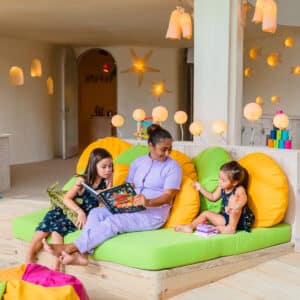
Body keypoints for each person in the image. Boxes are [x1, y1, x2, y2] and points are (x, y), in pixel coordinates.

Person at [42, 124, 182, 266]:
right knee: (96, 212)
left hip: (152, 215)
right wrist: (116, 197)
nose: (167, 153)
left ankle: (70, 248)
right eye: (163, 149)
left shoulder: (173, 167)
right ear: (150, 145)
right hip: (130, 207)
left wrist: (148, 202)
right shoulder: (138, 162)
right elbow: (128, 187)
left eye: (170, 149)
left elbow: (168, 195)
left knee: (114, 222)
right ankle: (83, 256)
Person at [26, 148, 113, 270]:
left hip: (79, 216)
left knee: (57, 229)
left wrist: (109, 187)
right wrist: (79, 211)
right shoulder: (82, 180)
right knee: (45, 227)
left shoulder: (107, 181)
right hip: (70, 208)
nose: (108, 170)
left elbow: (105, 204)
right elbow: (66, 199)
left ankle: (55, 267)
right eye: (104, 167)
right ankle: (29, 257)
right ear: (94, 166)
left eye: (110, 166)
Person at [174, 161, 249, 234]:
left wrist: (235, 207)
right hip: (225, 218)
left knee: (233, 199)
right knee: (205, 213)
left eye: (223, 180)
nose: (220, 181)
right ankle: (190, 226)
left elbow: (244, 199)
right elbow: (213, 197)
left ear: (234, 183)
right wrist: (200, 188)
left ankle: (231, 228)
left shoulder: (239, 189)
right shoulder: (222, 187)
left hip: (239, 221)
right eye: (219, 177)